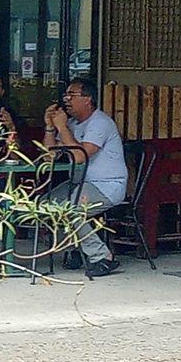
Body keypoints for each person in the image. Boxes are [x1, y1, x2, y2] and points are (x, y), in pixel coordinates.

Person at [43, 77, 128, 278]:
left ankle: (102, 257)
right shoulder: (72, 124)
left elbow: (80, 157)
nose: (66, 100)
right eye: (66, 96)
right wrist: (49, 126)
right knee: (45, 204)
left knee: (70, 210)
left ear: (88, 99)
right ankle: (75, 250)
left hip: (106, 187)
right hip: (79, 184)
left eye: (71, 95)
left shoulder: (100, 123)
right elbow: (49, 156)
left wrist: (62, 128)